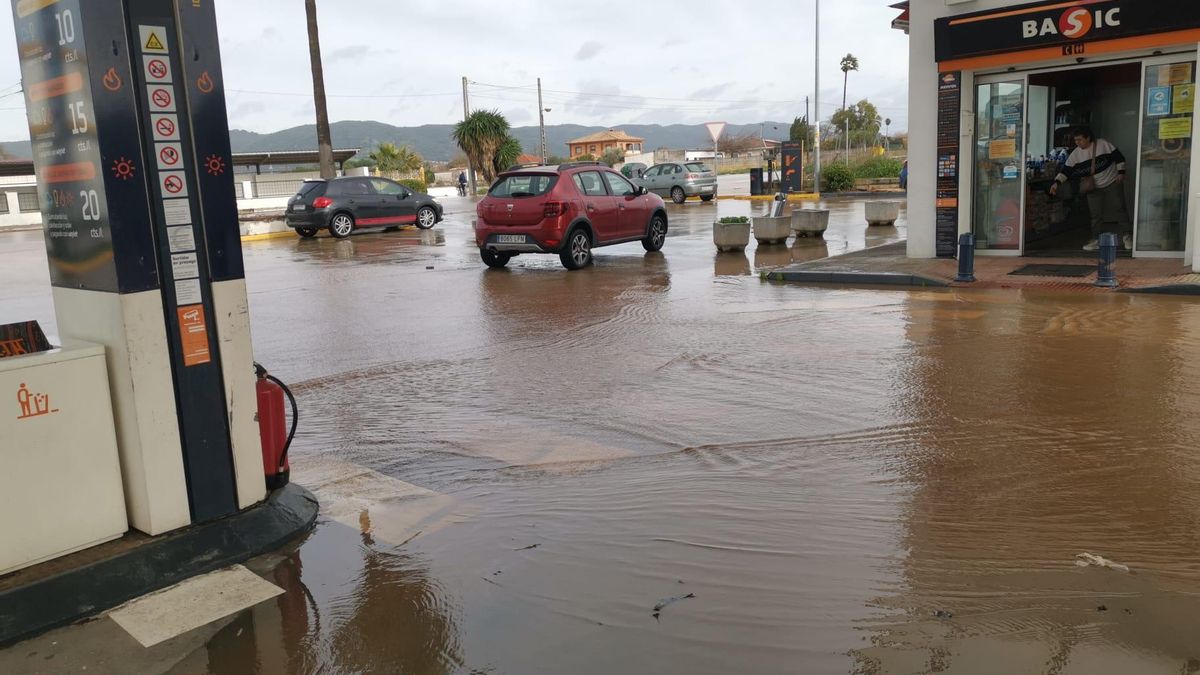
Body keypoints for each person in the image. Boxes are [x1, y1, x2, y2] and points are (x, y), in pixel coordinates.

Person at [1049, 127, 1131, 251]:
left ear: (1088, 138)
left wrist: (1121, 172)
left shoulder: (1103, 144)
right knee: (1095, 215)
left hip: (1112, 182)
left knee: (1119, 208)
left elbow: (1119, 158)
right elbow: (1066, 171)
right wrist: (1056, 183)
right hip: (1093, 187)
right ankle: (1096, 240)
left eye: (1080, 140)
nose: (1077, 142)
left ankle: (1127, 236)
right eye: (1075, 140)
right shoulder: (1076, 154)